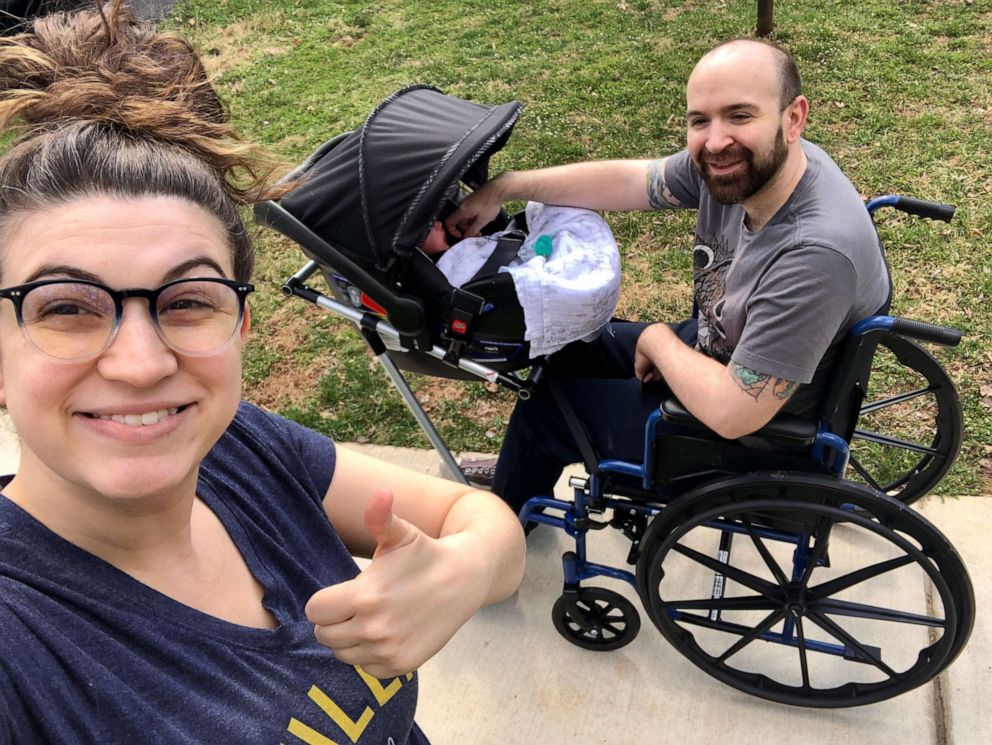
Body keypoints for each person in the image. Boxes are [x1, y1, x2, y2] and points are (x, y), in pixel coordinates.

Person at [0, 3, 524, 743]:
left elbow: (480, 520)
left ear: (241, 327)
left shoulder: (239, 447)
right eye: (66, 308)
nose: (143, 363)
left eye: (187, 300)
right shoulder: (22, 649)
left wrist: (465, 570)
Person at [446, 39, 890, 511]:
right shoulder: (756, 164)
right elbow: (633, 181)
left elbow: (734, 413)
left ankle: (498, 534)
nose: (715, 141)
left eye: (740, 115)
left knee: (546, 408)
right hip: (727, 350)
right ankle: (524, 471)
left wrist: (658, 340)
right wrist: (508, 186)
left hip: (749, 441)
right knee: (568, 343)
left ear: (793, 117)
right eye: (700, 120)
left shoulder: (813, 254)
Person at [422, 201, 622, 358]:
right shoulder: (443, 269)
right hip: (499, 285)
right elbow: (464, 280)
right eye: (430, 226)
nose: (439, 222)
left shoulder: (460, 246)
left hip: (511, 256)